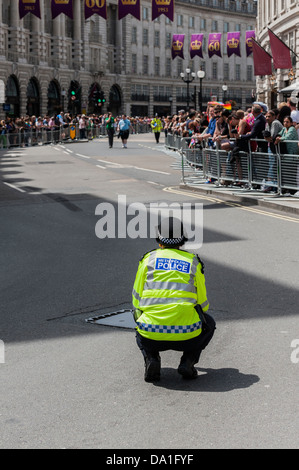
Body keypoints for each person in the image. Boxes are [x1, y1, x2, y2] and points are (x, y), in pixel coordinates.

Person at [132, 217, 216, 382]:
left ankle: (152, 359)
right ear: (182, 241)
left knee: (137, 316)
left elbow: (136, 300)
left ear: (159, 241)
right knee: (210, 323)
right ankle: (188, 362)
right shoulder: (193, 262)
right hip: (187, 336)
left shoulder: (147, 260)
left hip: (151, 334)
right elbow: (203, 305)